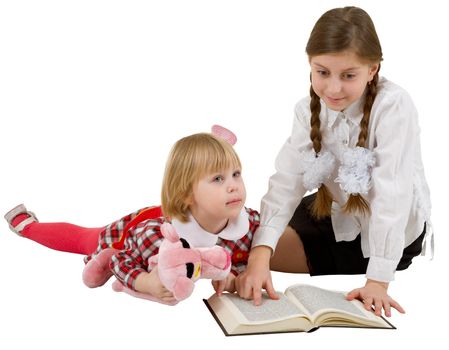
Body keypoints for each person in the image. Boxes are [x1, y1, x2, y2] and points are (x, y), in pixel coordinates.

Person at [235, 6, 432, 317]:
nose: (333, 88)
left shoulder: (394, 107)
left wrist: (378, 282)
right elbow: (288, 180)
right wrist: (260, 254)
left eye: (348, 75)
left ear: (372, 69)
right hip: (332, 207)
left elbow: (391, 195)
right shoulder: (307, 109)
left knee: (239, 253)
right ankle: (170, 233)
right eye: (322, 72)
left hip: (378, 235)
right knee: (244, 237)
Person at [5, 127, 259, 304]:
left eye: (236, 174)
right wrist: (145, 282)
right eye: (218, 178)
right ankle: (27, 227)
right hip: (133, 230)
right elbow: (122, 260)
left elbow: (247, 250)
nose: (233, 185)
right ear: (188, 194)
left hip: (180, 212)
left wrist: (234, 275)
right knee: (87, 239)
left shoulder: (247, 221)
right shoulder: (157, 238)